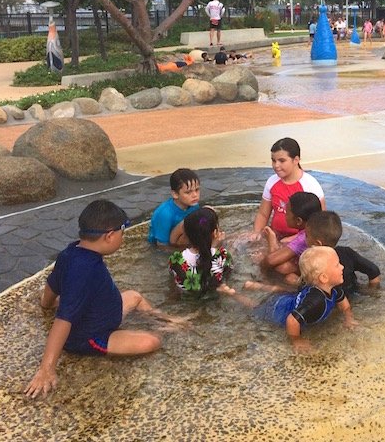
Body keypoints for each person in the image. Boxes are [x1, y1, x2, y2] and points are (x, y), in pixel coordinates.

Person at [25, 200, 188, 399]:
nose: (123, 238)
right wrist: (47, 368)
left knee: (135, 296)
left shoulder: (71, 252)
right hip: (92, 336)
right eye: (122, 233)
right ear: (110, 236)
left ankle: (166, 320)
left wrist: (46, 303)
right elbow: (63, 320)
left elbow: (53, 283)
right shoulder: (84, 271)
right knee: (151, 342)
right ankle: (152, 330)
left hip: (104, 312)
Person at [245, 246, 356, 352]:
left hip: (292, 299)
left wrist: (349, 318)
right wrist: (296, 340)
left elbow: (343, 302)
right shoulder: (316, 301)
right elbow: (292, 320)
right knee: (256, 308)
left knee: (287, 291)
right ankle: (235, 294)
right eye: (337, 265)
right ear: (324, 277)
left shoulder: (333, 287)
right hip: (279, 309)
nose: (342, 267)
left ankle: (258, 286)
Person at [252, 137, 325, 241]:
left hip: (300, 240)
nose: (276, 165)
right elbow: (263, 214)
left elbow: (320, 224)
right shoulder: (272, 182)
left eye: (282, 161)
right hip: (275, 235)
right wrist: (257, 233)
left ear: (296, 160)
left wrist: (293, 240)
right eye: (273, 160)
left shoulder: (310, 186)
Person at [307, 210, 381, 296]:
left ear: (318, 243)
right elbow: (374, 271)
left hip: (327, 300)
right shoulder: (347, 253)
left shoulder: (312, 261)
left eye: (306, 236)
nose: (305, 239)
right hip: (352, 292)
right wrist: (371, 292)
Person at [168, 206, 235, 297]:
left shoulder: (176, 259)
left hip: (188, 300)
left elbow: (174, 282)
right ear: (215, 233)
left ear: (186, 235)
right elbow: (228, 274)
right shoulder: (223, 255)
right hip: (216, 298)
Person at [260, 191, 322, 285]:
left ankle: (271, 286)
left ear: (298, 221)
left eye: (287, 213)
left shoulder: (304, 238)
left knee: (282, 268)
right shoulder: (317, 228)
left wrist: (271, 241)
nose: (284, 215)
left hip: (312, 278)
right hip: (319, 268)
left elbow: (270, 261)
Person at [148, 168, 201, 247]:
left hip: (183, 238)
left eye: (197, 190)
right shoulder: (165, 214)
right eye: (188, 192)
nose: (195, 195)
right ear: (175, 194)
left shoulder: (194, 205)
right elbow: (161, 245)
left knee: (208, 213)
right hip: (164, 245)